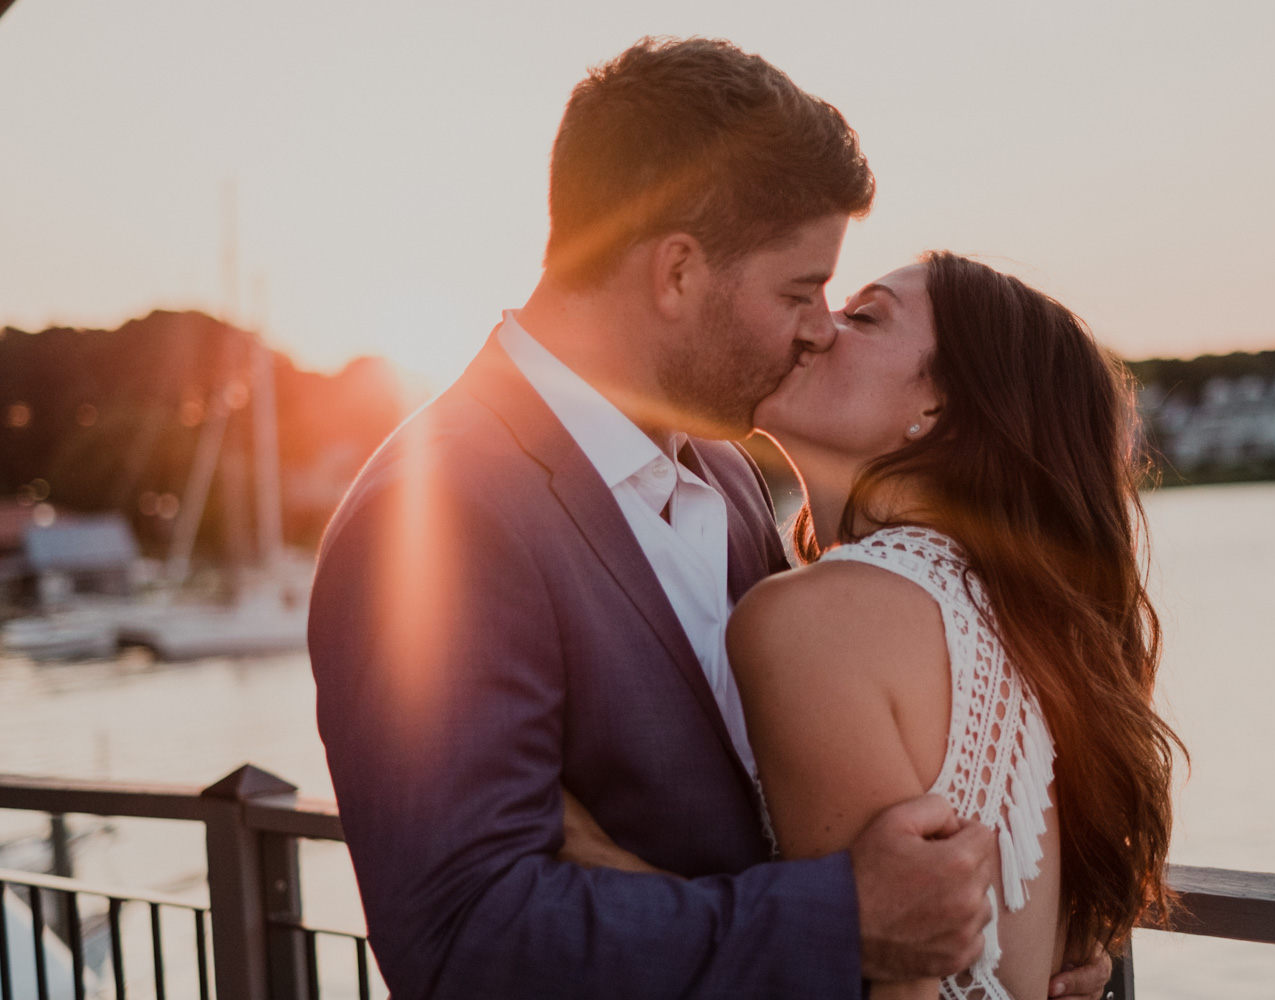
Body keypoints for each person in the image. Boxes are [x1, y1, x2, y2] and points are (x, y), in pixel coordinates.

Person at [308, 38, 1114, 999]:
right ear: (679, 273)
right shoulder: (434, 518)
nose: (818, 326)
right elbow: (463, 938)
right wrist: (844, 928)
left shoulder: (730, 478)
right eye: (798, 290)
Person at [733, 253, 1184, 999]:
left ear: (938, 410)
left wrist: (589, 853)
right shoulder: (1024, 624)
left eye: (863, 316)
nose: (816, 327)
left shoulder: (814, 621)